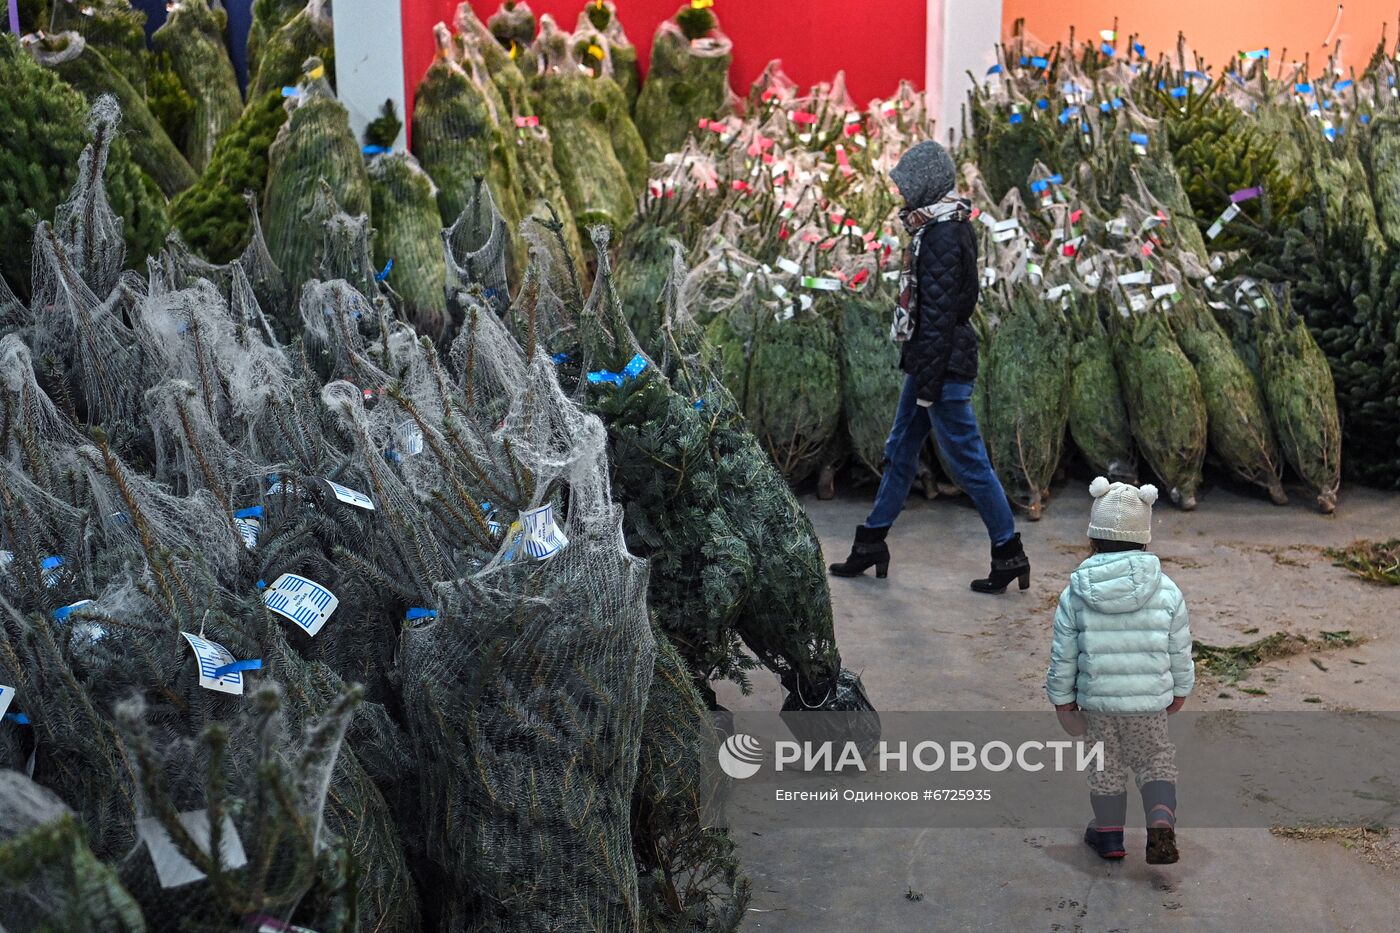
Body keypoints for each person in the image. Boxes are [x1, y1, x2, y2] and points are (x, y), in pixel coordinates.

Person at [828, 140, 1028, 593]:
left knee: (969, 462)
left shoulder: (940, 234)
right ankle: (871, 542)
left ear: (925, 184)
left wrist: (929, 383)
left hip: (942, 367)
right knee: (900, 450)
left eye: (906, 185)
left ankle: (1009, 551)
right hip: (929, 361)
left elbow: (939, 315)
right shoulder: (935, 227)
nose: (901, 194)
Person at [1045, 477, 1194, 865]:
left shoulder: (1075, 592)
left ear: (1093, 538)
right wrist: (1180, 688)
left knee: (1104, 765)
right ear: (1144, 539)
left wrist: (1062, 702)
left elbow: (1064, 652)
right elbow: (1179, 647)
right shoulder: (1167, 590)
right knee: (1154, 760)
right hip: (1149, 704)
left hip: (1098, 704)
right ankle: (1160, 820)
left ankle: (1110, 838)